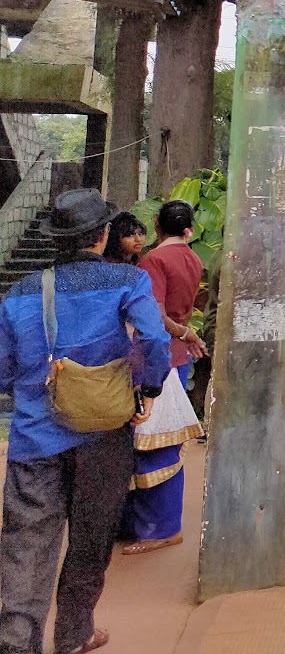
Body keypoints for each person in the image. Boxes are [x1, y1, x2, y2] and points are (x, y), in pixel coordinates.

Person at [0, 188, 170, 654]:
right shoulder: (127, 282)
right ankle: (74, 635)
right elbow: (154, 340)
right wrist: (147, 387)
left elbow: (3, 371)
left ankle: (16, 644)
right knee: (91, 538)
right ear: (103, 235)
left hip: (34, 440)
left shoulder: (18, 294)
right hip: (103, 434)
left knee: (26, 545)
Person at [119, 200, 207, 555]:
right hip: (178, 356)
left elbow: (154, 318)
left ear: (156, 224)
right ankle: (150, 523)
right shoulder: (194, 258)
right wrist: (187, 332)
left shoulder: (153, 260)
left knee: (150, 442)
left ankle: (160, 526)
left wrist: (182, 333)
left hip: (157, 357)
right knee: (162, 440)